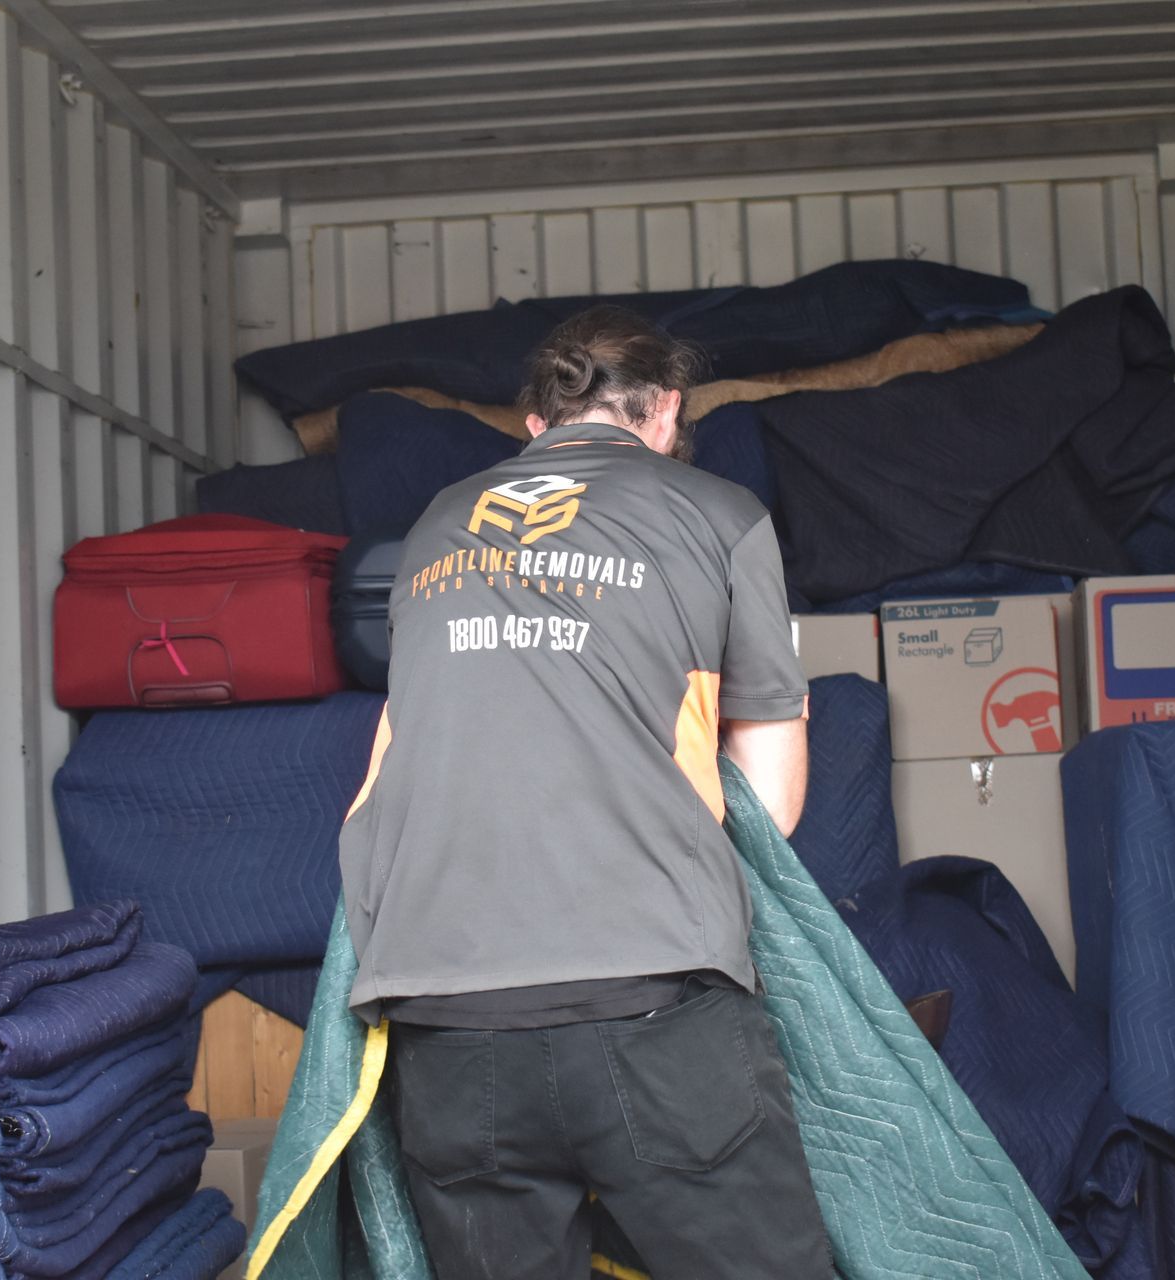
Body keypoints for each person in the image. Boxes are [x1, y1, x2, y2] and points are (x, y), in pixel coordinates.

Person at [336, 304, 834, 1278]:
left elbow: (382, 778)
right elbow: (772, 793)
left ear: (535, 425)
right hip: (651, 999)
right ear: (666, 413)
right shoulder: (721, 514)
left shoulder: (437, 524)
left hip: (443, 1012)